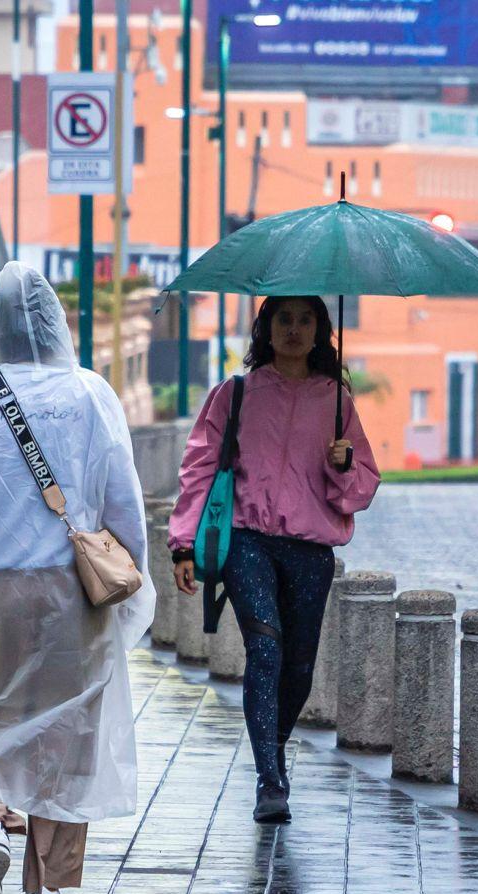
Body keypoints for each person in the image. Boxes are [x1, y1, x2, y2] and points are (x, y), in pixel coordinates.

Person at [0, 263, 153, 894]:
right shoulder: (92, 395)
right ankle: (46, 890)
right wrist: (127, 578)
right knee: (67, 729)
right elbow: (122, 500)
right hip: (66, 587)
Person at [169, 296, 380, 824]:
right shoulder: (235, 394)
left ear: (320, 330)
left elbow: (361, 489)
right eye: (283, 319)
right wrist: (183, 542)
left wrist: (343, 464)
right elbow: (198, 467)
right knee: (265, 650)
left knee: (298, 667)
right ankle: (270, 778)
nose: (293, 329)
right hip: (247, 543)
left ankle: (273, 749)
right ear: (265, 328)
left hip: (311, 552)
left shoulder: (336, 402)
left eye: (305, 320)